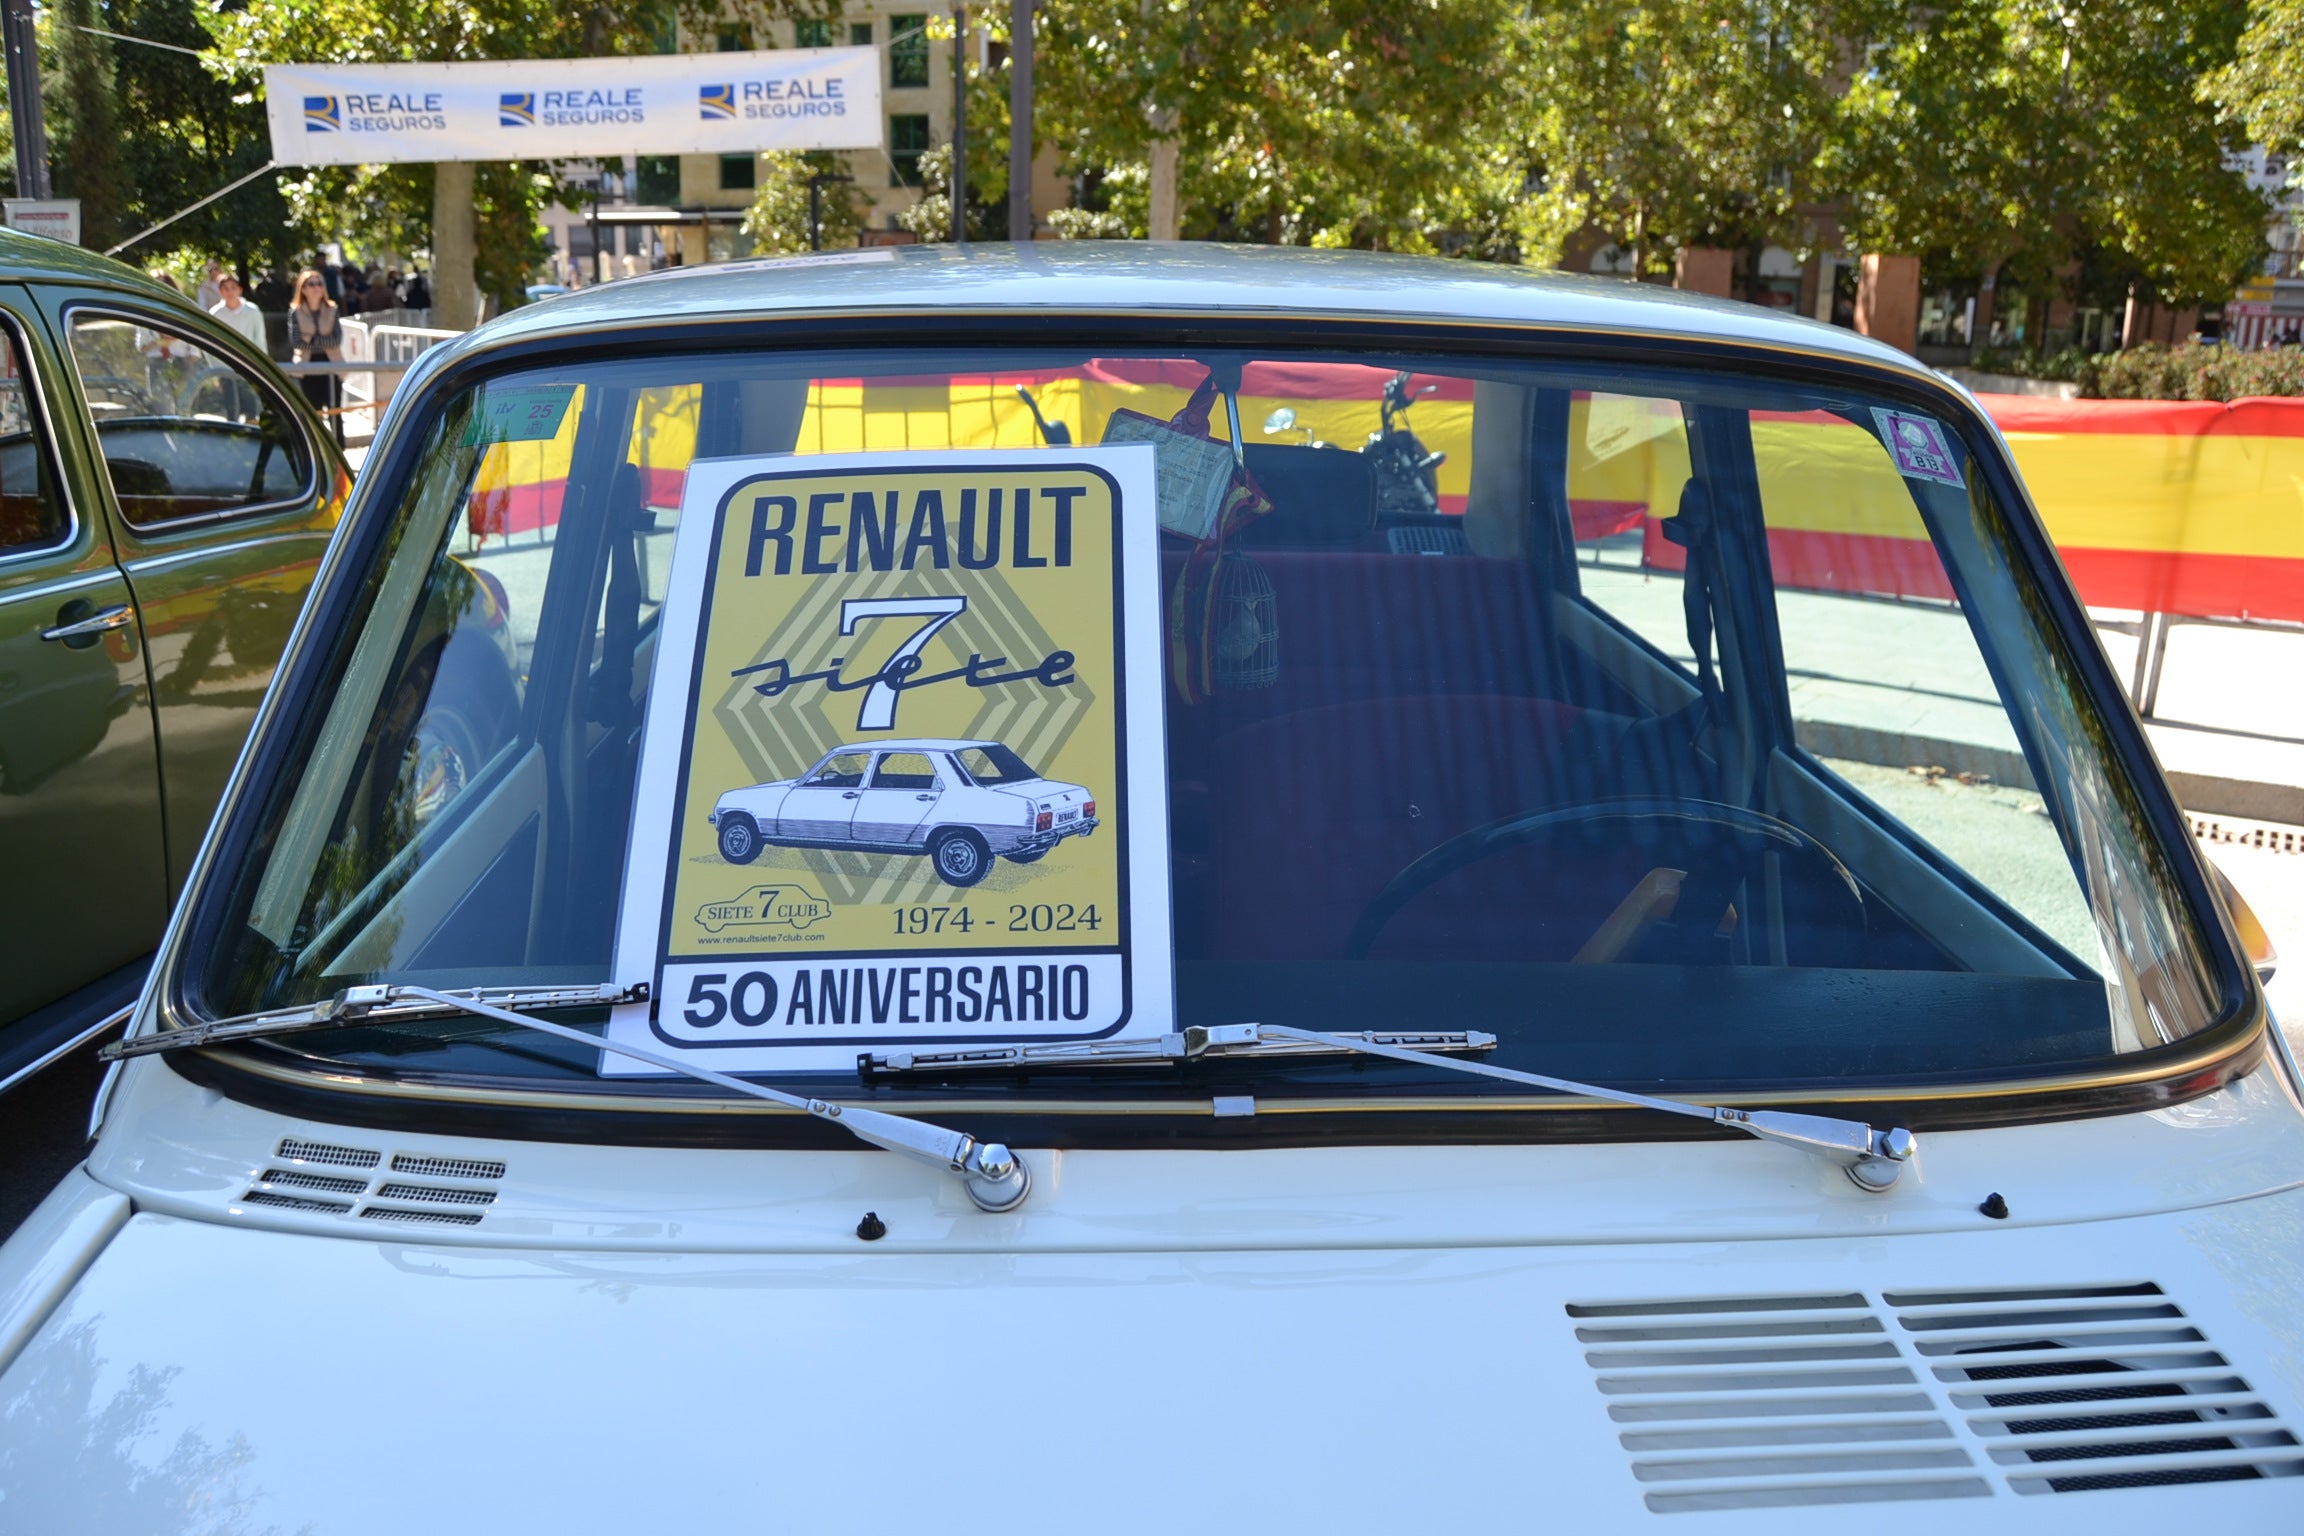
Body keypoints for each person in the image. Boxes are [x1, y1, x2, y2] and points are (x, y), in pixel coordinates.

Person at [287, 267, 346, 446]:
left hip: (332, 364)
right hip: (307, 366)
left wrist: (311, 339)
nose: (316, 287)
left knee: (335, 410)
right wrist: (321, 340)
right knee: (313, 412)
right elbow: (296, 342)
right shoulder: (295, 311)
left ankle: (339, 449)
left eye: (319, 283)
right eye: (311, 284)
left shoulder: (332, 309)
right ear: (302, 288)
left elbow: (337, 339)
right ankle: (318, 449)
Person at [209, 273, 267, 351]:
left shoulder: (253, 311)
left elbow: (260, 339)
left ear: (240, 290)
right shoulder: (214, 313)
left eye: (233, 288)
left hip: (248, 359)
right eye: (226, 288)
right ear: (220, 291)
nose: (230, 292)